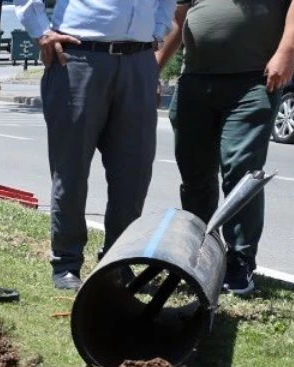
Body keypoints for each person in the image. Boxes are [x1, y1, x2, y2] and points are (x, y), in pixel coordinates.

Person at [12, 0, 177, 291]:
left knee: (134, 172)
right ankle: (66, 262)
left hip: (139, 60)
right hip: (79, 56)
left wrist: (158, 32)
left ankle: (117, 263)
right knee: (71, 170)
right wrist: (40, 31)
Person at [157, 0, 294, 296]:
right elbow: (179, 17)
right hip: (195, 80)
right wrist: (154, 67)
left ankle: (240, 259)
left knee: (240, 170)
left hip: (252, 80)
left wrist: (287, 50)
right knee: (194, 172)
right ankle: (198, 249)